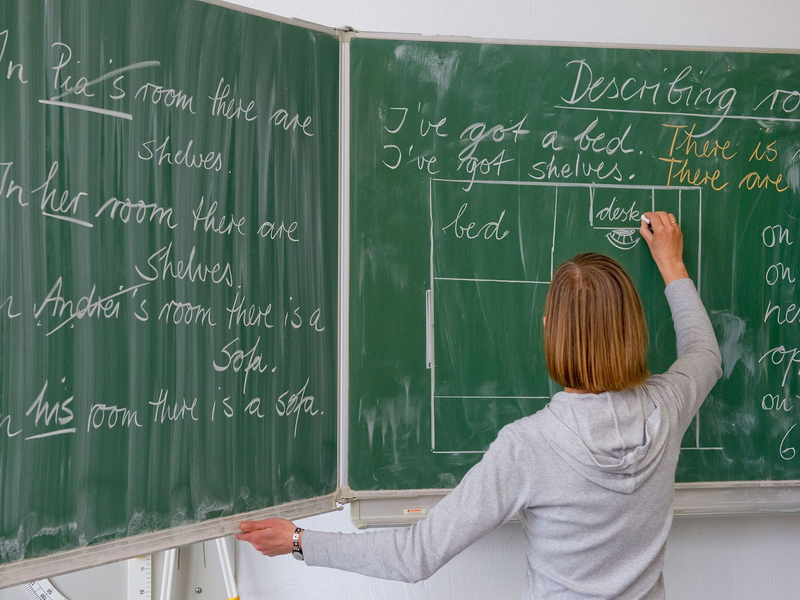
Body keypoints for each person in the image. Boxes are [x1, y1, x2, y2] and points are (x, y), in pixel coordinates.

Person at [236, 211, 722, 599]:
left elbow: (416, 555)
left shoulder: (529, 447)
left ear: (549, 330)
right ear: (634, 329)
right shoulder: (667, 408)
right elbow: (705, 353)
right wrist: (672, 265)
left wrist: (299, 541)